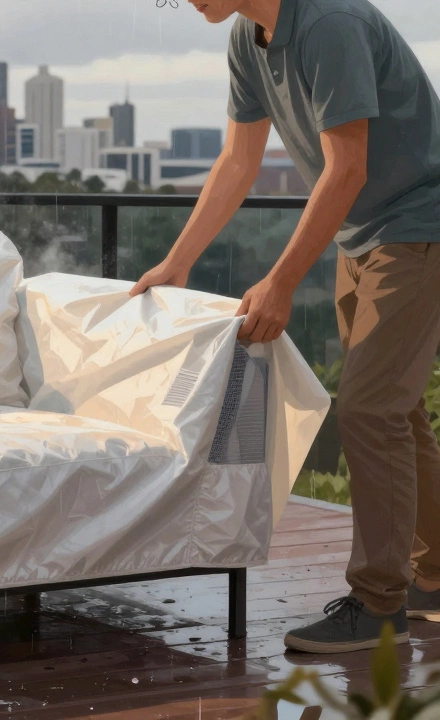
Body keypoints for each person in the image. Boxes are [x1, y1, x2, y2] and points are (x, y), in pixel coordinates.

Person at [131, 0, 440, 653]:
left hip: (420, 228)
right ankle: (434, 581)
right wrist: (177, 261)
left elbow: (347, 165)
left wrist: (280, 281)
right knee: (397, 413)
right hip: (362, 236)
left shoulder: (329, 21)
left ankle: (379, 603)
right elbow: (239, 161)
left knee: (368, 409)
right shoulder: (249, 39)